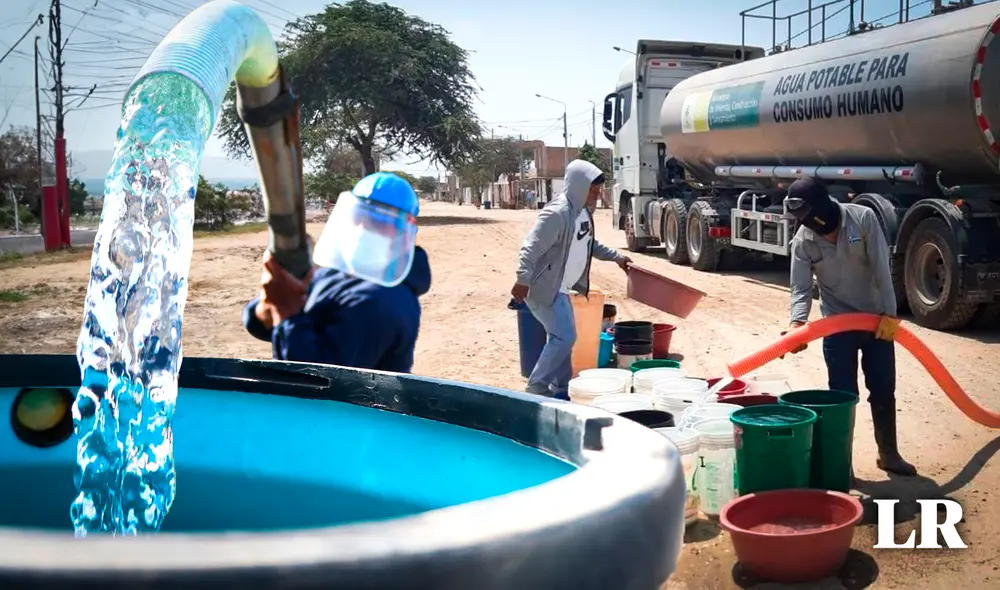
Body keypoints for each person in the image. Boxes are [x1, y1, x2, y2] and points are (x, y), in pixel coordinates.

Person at [783, 176, 916, 476]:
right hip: (837, 324)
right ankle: (841, 463)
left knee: (883, 389)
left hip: (877, 321)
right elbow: (800, 288)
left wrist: (890, 315)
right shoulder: (803, 240)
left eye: (807, 217)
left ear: (821, 207)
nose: (804, 224)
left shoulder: (862, 219)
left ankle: (889, 454)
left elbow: (882, 269)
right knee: (841, 398)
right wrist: (796, 324)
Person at [243, 172, 432, 373]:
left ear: (402, 234)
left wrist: (285, 314)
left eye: (377, 223)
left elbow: (318, 380)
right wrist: (267, 306)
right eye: (358, 217)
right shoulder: (333, 273)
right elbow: (264, 321)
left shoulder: (384, 302)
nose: (362, 229)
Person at [511, 159, 631, 399]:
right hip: (542, 287)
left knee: (562, 339)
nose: (597, 195)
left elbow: (589, 244)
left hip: (562, 288)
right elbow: (530, 248)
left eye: (598, 190)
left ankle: (561, 390)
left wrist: (617, 257)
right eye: (592, 190)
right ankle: (536, 388)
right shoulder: (556, 214)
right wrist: (523, 279)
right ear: (578, 186)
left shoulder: (583, 213)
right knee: (564, 337)